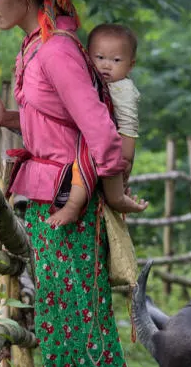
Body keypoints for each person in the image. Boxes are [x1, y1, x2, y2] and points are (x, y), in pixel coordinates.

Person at [0, 0, 137, 367]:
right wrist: (4, 117)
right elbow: (54, 124)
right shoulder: (36, 47)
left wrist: (102, 187)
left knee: (83, 318)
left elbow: (100, 132)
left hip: (69, 198)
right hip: (45, 196)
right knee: (56, 321)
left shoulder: (59, 52)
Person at [46, 23, 148, 228]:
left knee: (88, 168)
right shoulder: (90, 80)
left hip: (114, 145)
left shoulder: (123, 89)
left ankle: (74, 207)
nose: (106, 65)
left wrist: (126, 158)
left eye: (116, 60)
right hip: (96, 141)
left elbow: (129, 125)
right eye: (99, 58)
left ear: (131, 65)